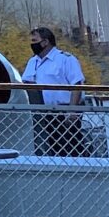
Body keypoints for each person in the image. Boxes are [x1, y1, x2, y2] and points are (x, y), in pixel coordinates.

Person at [22, 25, 85, 157]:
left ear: (45, 42)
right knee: (49, 148)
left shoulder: (65, 59)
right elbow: (26, 84)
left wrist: (72, 110)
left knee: (70, 148)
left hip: (64, 112)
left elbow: (77, 84)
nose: (32, 44)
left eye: (35, 41)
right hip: (42, 113)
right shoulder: (32, 62)